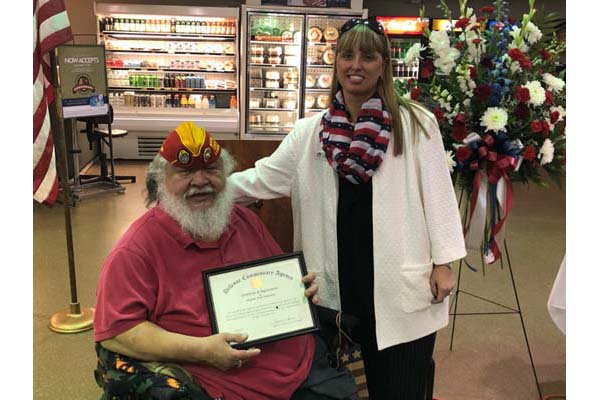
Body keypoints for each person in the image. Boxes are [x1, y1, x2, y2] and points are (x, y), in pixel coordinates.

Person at [229, 18, 467, 400]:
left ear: (383, 64)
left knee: (401, 388)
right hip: (337, 292)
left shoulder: (415, 124)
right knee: (335, 391)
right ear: (336, 63)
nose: (356, 64)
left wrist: (444, 262)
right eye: (347, 55)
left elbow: (438, 194)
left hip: (396, 287)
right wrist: (203, 190)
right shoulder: (311, 132)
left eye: (368, 56)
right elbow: (262, 178)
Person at [93, 122, 358, 400]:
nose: (200, 181)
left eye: (211, 169)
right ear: (161, 181)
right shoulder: (137, 249)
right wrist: (201, 350)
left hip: (302, 366)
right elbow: (117, 332)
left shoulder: (244, 220)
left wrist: (299, 290)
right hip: (221, 386)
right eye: (185, 172)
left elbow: (276, 278)